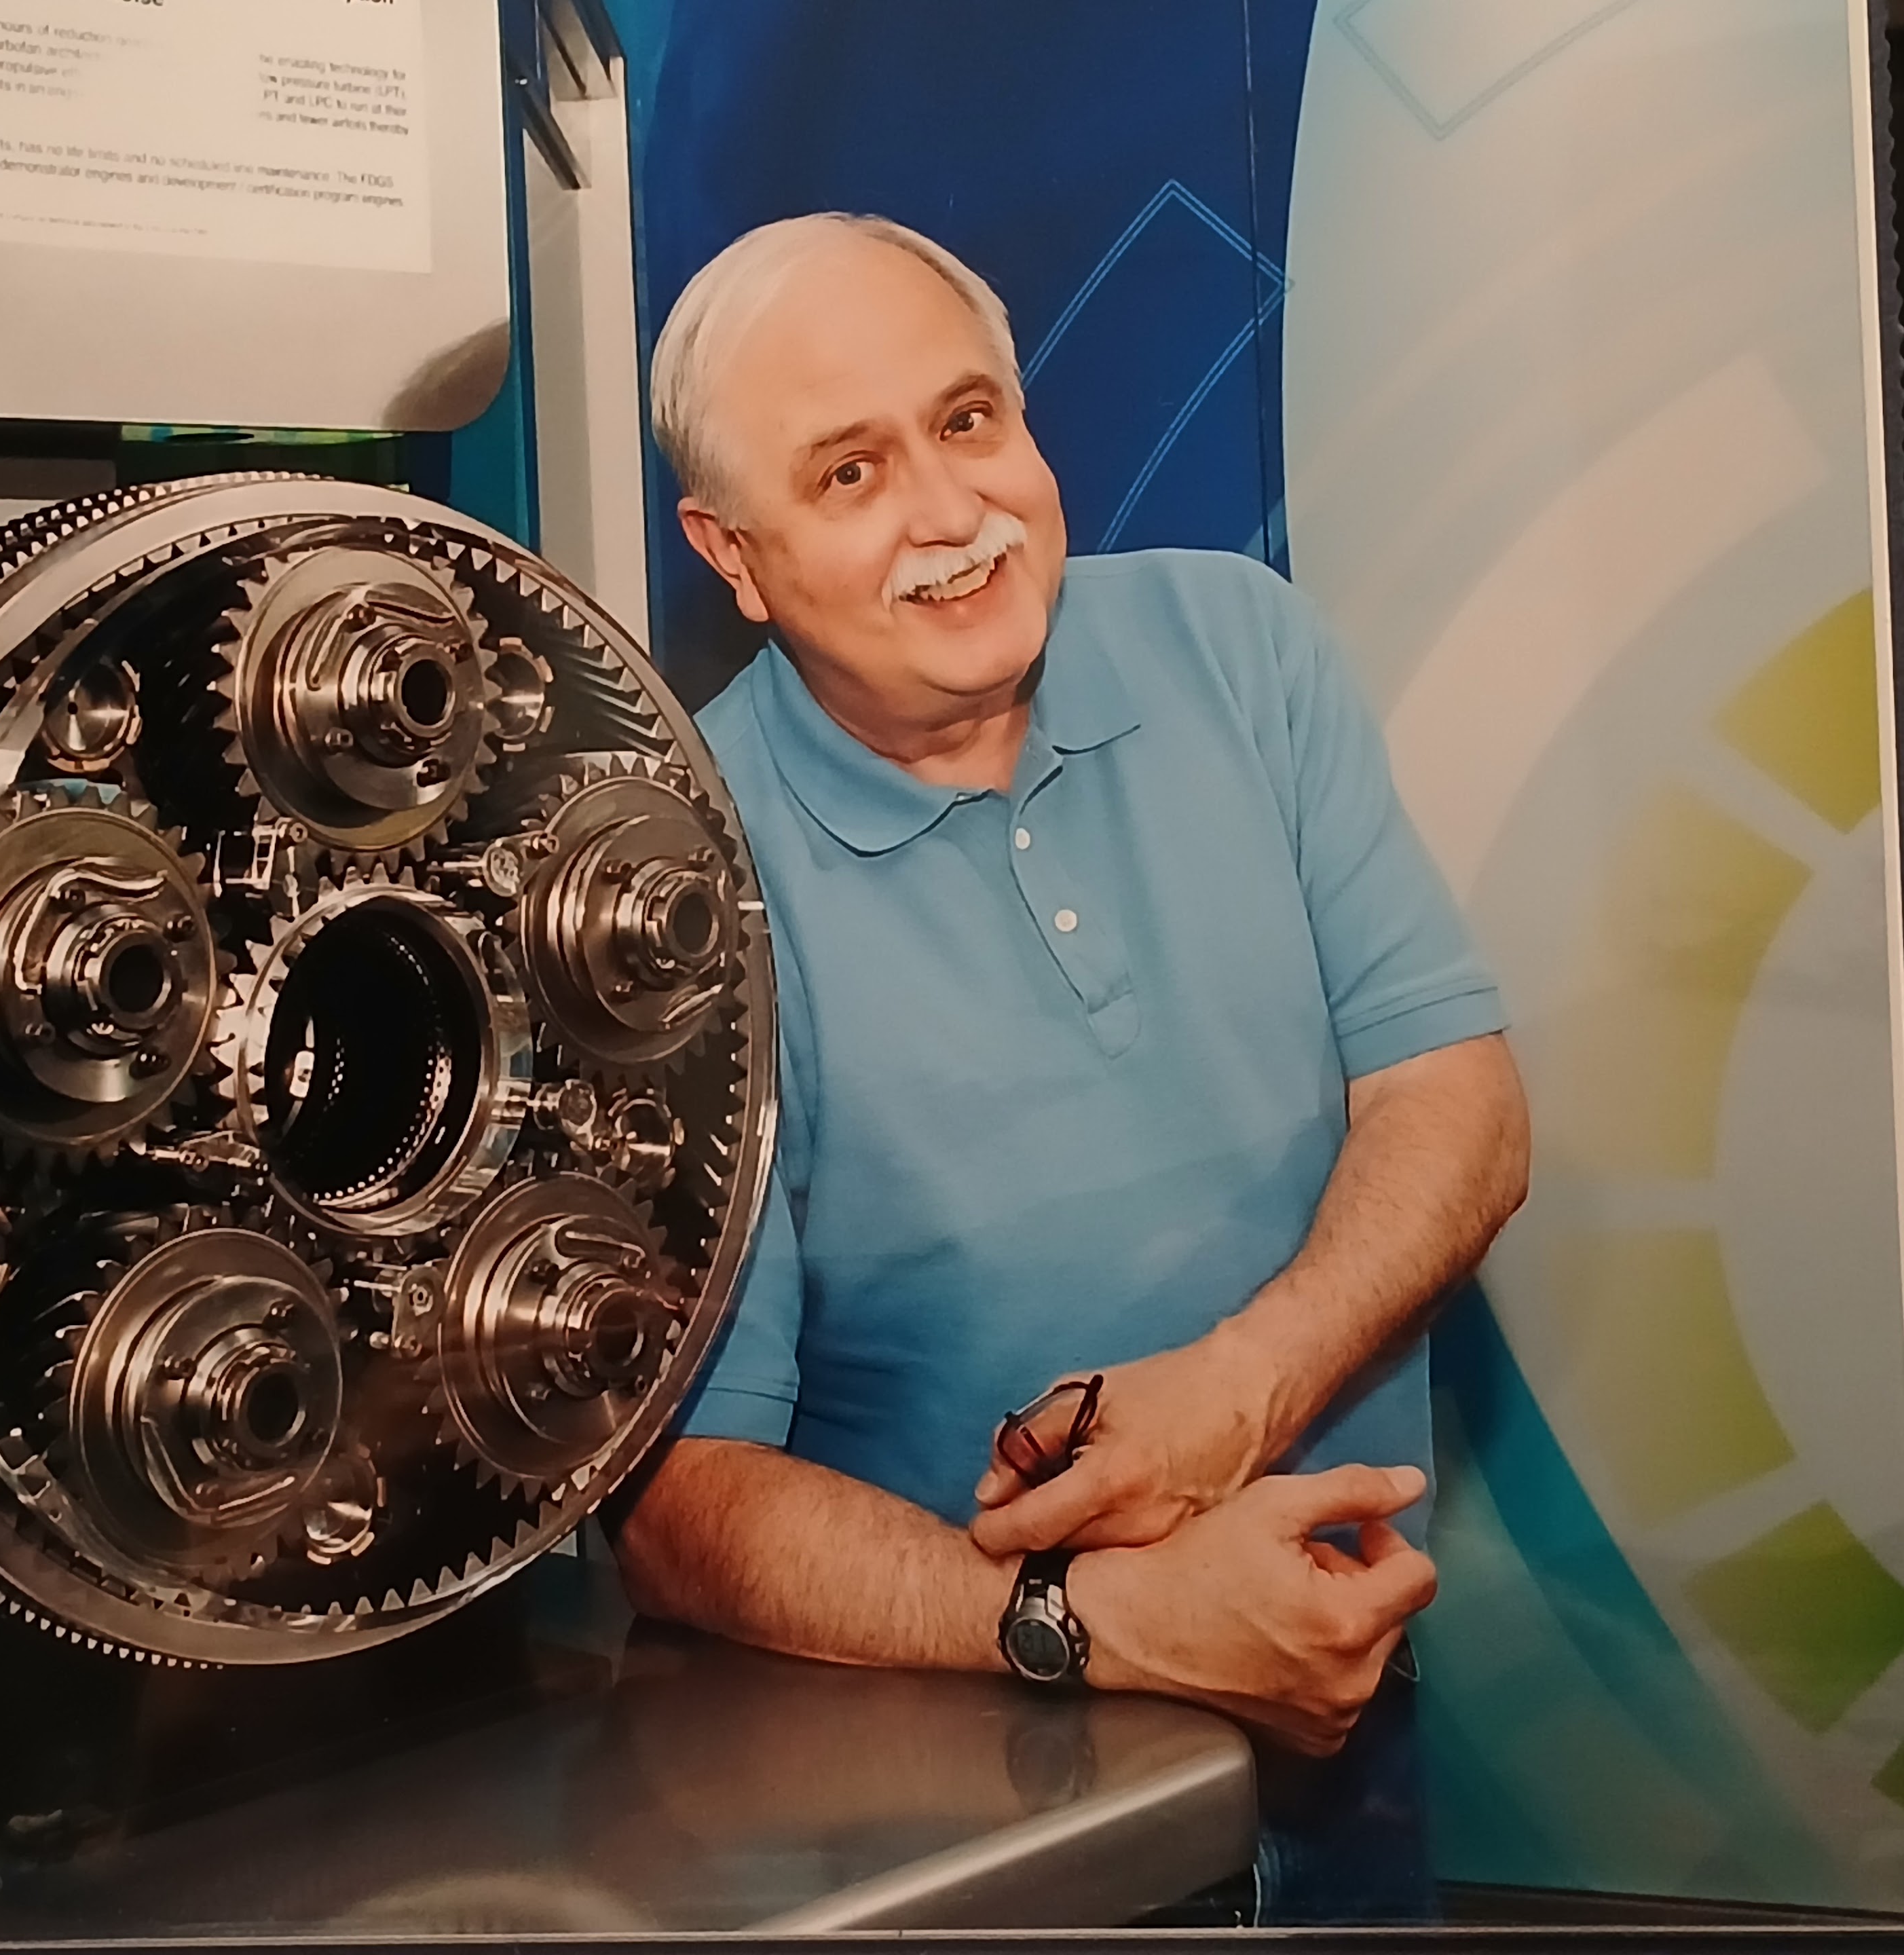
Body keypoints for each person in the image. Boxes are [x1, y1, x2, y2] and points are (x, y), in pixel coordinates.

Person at [611, 213, 1531, 1920]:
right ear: (731, 558)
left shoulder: (1239, 649)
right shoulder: (670, 886)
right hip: (974, 1826)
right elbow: (678, 1509)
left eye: (968, 423)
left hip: (1361, 1749)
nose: (951, 518)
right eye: (849, 473)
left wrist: (1237, 1388)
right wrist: (1089, 1624)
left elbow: (1458, 1105)